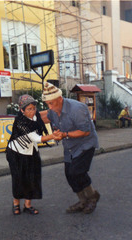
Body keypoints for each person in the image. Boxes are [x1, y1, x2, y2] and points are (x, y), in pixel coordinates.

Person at [40, 82, 100, 214]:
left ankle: (92, 197)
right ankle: (82, 200)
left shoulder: (77, 109)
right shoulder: (53, 110)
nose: (49, 107)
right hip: (70, 146)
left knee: (77, 172)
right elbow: (43, 116)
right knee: (69, 174)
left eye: (51, 103)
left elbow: (85, 132)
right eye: (47, 104)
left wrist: (64, 134)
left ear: (60, 99)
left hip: (85, 144)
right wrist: (26, 117)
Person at [6, 94, 60, 215]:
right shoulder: (20, 122)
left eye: (33, 108)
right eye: (29, 109)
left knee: (32, 178)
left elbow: (45, 119)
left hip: (31, 152)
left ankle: (27, 205)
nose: (32, 111)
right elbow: (37, 138)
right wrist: (54, 135)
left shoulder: (36, 116)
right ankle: (16, 204)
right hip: (16, 153)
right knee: (18, 179)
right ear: (22, 110)